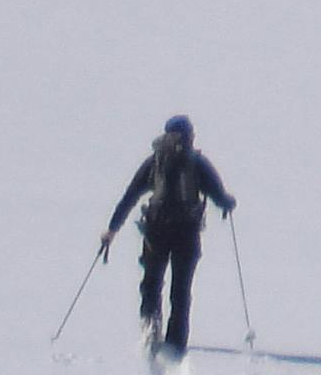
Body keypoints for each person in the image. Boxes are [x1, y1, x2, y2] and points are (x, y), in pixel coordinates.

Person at [100, 114, 235, 357]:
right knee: (181, 289)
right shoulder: (197, 163)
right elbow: (219, 197)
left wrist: (112, 229)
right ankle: (176, 342)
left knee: (152, 283)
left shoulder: (155, 162)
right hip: (187, 233)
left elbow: (130, 196)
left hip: (156, 231)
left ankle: (150, 331)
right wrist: (229, 203)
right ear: (190, 136)